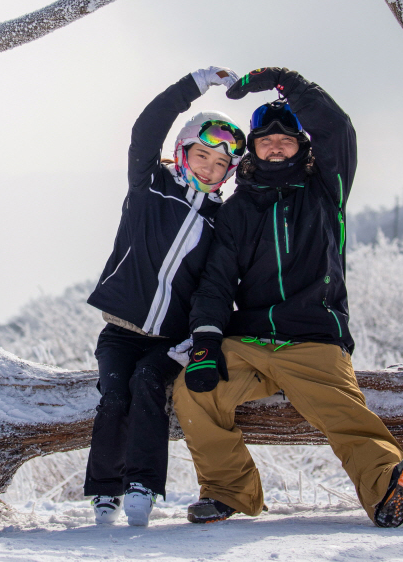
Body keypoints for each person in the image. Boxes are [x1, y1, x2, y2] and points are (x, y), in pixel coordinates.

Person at [173, 67, 403, 528]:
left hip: (314, 337)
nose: (275, 145)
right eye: (266, 139)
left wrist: (284, 81)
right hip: (249, 342)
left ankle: (385, 488)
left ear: (302, 145)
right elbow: (215, 282)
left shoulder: (324, 191)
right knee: (194, 394)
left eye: (286, 138)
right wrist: (207, 343)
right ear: (252, 149)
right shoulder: (236, 211)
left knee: (344, 412)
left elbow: (338, 128)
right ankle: (229, 492)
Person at [83, 67, 247, 526]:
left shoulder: (220, 222)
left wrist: (193, 341)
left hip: (170, 342)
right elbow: (145, 128)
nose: (209, 169)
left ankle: (142, 484)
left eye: (220, 165)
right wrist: (192, 86)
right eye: (202, 156)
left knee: (147, 387)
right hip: (120, 332)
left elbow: (214, 288)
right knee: (113, 396)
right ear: (183, 151)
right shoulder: (150, 186)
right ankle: (104, 492)